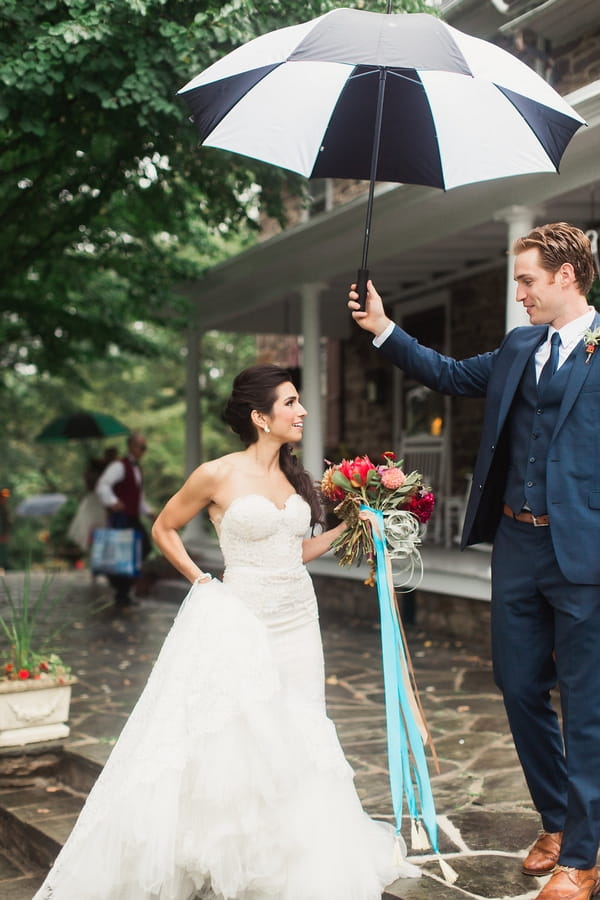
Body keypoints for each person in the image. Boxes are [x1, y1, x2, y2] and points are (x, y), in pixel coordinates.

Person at [33, 364, 420, 900]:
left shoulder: (295, 478)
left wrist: (354, 527)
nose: (301, 410)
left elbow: (297, 550)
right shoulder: (216, 474)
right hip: (243, 618)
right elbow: (164, 527)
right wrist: (200, 581)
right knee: (250, 732)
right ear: (261, 417)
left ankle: (303, 852)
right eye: (290, 403)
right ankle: (247, 853)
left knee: (304, 725)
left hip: (298, 618)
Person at [348, 222, 600, 900]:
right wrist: (384, 328)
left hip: (586, 553)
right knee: (518, 685)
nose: (518, 293)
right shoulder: (520, 347)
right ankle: (556, 817)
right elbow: (452, 375)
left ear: (566, 276)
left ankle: (582, 854)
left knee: (586, 703)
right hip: (518, 543)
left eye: (527, 280)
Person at [95, 432, 154, 608]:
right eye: (140, 447)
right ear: (131, 446)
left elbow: (138, 496)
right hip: (121, 517)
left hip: (133, 517)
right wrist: (113, 502)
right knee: (122, 554)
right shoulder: (119, 466)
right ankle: (121, 591)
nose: (142, 451)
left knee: (142, 549)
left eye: (145, 448)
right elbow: (102, 485)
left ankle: (123, 588)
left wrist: (150, 512)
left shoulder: (137, 468)